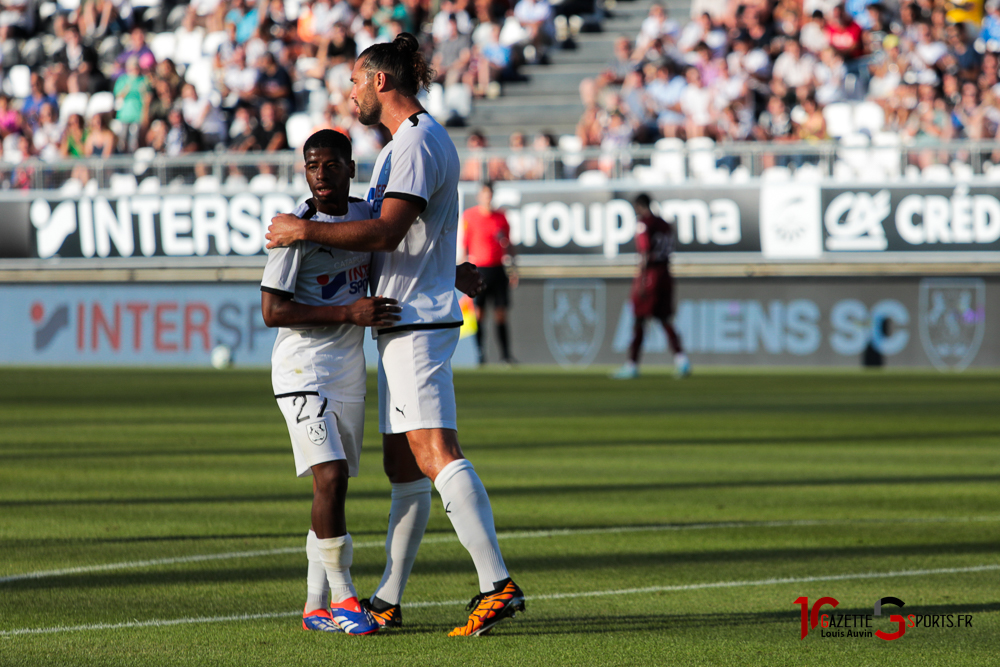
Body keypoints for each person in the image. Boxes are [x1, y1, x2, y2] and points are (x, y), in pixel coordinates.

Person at [266, 33, 524, 637]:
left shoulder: (413, 144)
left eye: (355, 81)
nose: (350, 92)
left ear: (380, 81)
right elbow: (412, 238)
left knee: (434, 453)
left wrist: (304, 233)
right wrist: (446, 268)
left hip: (415, 323)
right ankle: (387, 597)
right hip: (406, 318)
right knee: (402, 467)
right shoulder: (406, 145)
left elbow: (385, 233)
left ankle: (496, 582)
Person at [261, 130, 397, 636]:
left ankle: (314, 605)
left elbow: (401, 257)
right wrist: (348, 311)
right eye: (312, 166)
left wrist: (454, 275)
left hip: (346, 371)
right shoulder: (293, 230)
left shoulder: (367, 219)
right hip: (299, 370)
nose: (321, 175)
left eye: (330, 165)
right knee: (331, 476)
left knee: (332, 492)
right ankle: (345, 601)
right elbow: (272, 311)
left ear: (350, 169)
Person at [611, 194, 690, 380]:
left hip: (651, 275)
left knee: (639, 319)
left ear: (639, 206)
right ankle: (682, 360)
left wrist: (641, 279)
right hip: (666, 274)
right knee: (664, 319)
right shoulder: (665, 223)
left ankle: (632, 365)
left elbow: (645, 252)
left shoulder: (643, 223)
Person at [462, 181, 516, 365]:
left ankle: (505, 355)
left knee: (501, 313)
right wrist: (464, 272)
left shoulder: (501, 217)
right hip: (480, 271)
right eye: (484, 194)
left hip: (498, 269)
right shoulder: (470, 216)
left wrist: (514, 268)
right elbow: (464, 245)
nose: (487, 197)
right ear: (479, 196)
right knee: (479, 314)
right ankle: (480, 355)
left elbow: (509, 244)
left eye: (490, 194)